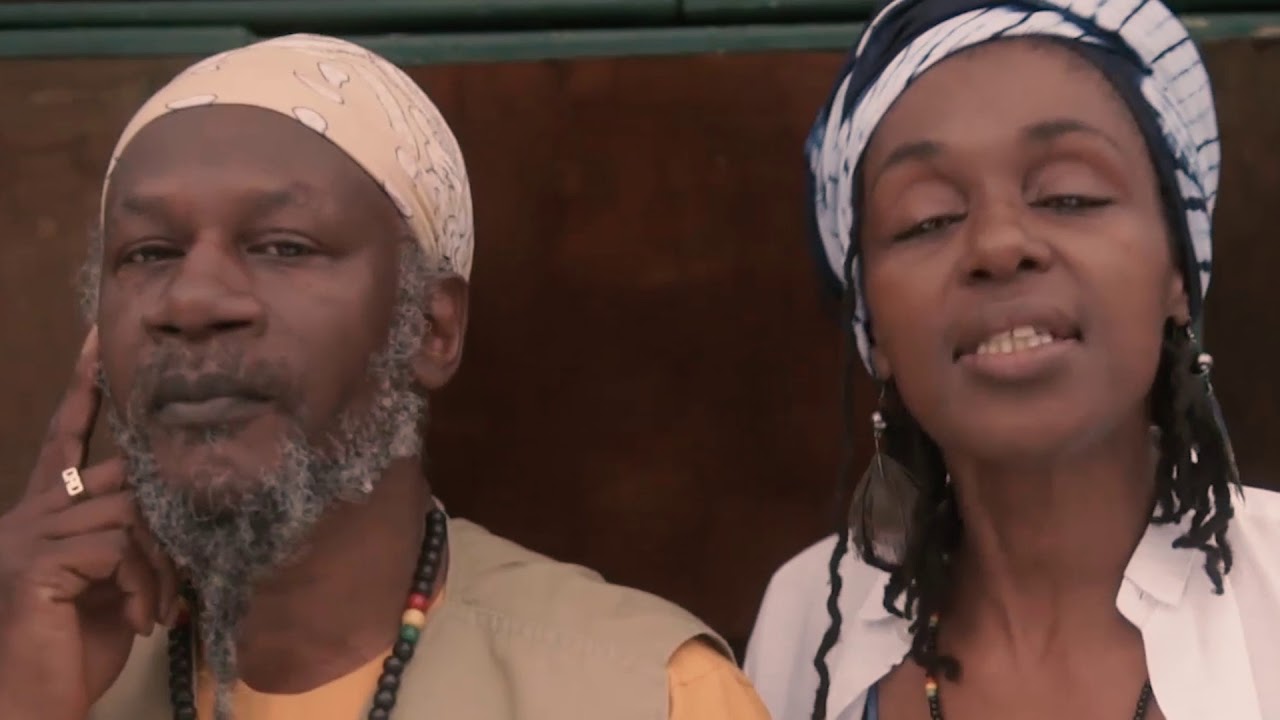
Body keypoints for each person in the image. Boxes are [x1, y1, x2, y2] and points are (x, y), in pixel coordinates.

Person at [0, 34, 770, 720]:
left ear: (431, 328)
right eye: (148, 254)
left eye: (283, 246)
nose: (192, 301)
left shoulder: (647, 695)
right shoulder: (39, 653)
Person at [744, 1, 1280, 719]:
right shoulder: (808, 619)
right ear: (875, 329)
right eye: (928, 219)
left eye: (1069, 196)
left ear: (1177, 271)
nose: (999, 246)